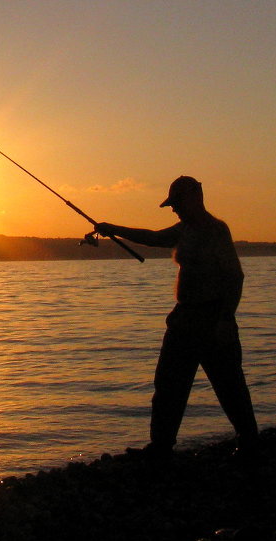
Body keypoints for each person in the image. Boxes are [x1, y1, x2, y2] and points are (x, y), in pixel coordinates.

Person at [94, 176, 259, 463]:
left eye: (177, 203)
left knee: (230, 386)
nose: (174, 209)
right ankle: (161, 447)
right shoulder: (183, 230)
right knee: (168, 385)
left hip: (213, 319)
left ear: (196, 197)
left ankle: (250, 442)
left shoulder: (216, 231)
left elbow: (235, 277)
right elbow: (153, 237)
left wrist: (225, 319)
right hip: (183, 320)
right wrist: (112, 229)